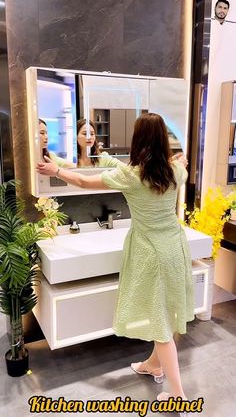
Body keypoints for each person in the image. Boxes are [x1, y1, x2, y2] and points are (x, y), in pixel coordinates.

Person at [37, 113, 194, 403]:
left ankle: (178, 394)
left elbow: (85, 184)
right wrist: (180, 160)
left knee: (159, 324)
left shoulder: (131, 176)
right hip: (175, 248)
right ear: (163, 139)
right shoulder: (175, 171)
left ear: (138, 140)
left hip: (150, 253)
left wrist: (56, 172)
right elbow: (179, 164)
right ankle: (153, 365)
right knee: (165, 312)